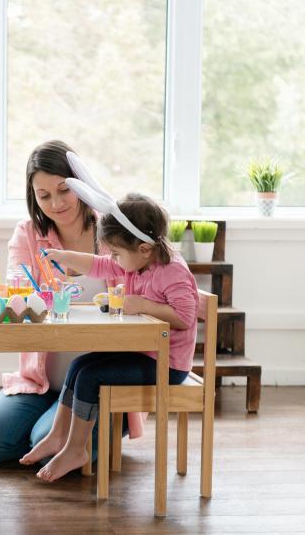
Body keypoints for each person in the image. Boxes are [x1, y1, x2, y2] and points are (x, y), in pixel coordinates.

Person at [19, 192, 198, 482]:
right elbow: (98, 264)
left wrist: (141, 305)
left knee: (91, 377)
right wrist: (64, 257)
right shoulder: (138, 261)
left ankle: (76, 449)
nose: (112, 260)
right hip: (143, 353)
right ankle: (57, 436)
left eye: (116, 253)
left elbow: (185, 317)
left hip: (168, 365)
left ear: (143, 247)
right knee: (80, 365)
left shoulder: (171, 271)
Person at [0, 140, 124, 464]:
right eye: (44, 196)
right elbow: (17, 284)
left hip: (96, 385)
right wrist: (14, 296)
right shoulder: (27, 233)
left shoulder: (112, 228)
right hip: (41, 381)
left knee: (45, 443)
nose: (56, 203)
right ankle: (53, 431)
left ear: (80, 185)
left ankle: (92, 429)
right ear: (33, 198)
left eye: (63, 190)